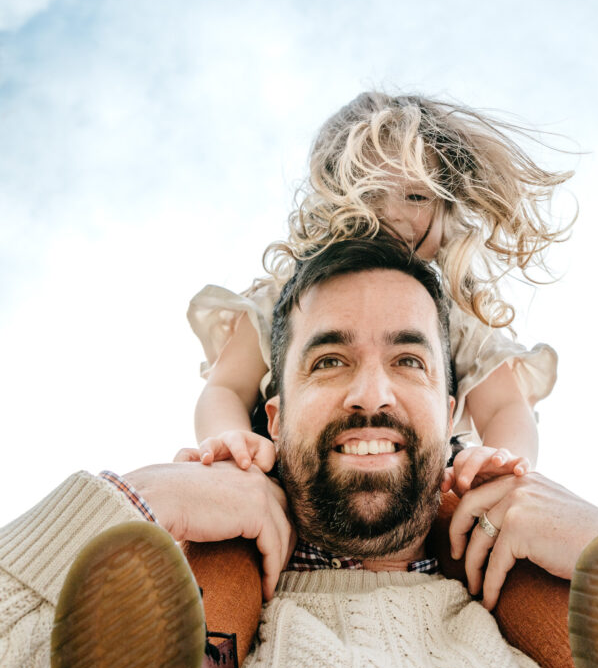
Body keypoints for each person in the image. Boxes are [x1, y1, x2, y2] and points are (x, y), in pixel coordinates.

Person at [0, 237, 598, 668]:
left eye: (408, 360)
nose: (371, 395)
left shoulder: (516, 596)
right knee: (218, 561)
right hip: (235, 568)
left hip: (479, 544)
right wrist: (142, 497)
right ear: (273, 419)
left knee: (536, 571)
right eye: (328, 360)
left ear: (451, 416)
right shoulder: (129, 639)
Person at [186, 92, 573, 483]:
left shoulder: (460, 318)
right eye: (369, 193)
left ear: (447, 211)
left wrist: (503, 469)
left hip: (415, 493)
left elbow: (506, 408)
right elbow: (227, 389)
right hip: (284, 481)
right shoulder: (285, 300)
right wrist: (231, 446)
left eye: (417, 196)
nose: (393, 215)